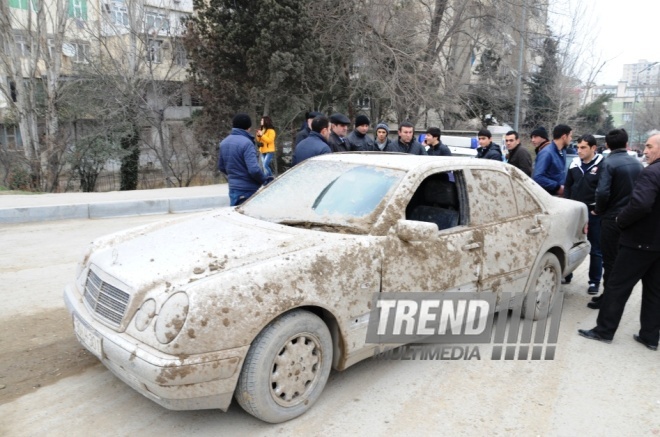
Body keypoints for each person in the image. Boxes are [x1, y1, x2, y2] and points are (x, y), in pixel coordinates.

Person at [578, 133, 660, 349]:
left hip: (639, 241)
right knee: (654, 291)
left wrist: (620, 220)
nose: (646, 150)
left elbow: (641, 204)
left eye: (650, 146)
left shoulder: (651, 173)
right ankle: (650, 337)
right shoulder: (642, 167)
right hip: (656, 244)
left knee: (616, 285)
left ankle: (604, 330)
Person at [588, 128, 643, 309]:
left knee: (610, 261)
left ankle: (609, 299)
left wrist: (599, 210)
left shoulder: (608, 163)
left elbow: (602, 192)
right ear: (626, 144)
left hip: (612, 218)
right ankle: (610, 296)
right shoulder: (637, 163)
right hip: (631, 219)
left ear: (607, 145)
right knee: (620, 260)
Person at [563, 134, 604, 294]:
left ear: (593, 148)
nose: (579, 150)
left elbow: (604, 190)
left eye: (583, 147)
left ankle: (594, 282)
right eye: (578, 147)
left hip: (593, 213)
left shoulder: (602, 165)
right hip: (575, 212)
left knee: (595, 249)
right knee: (570, 244)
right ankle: (567, 274)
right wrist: (566, 205)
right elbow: (567, 186)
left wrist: (598, 208)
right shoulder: (574, 164)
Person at [218, 113, 268, 206]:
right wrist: (264, 180)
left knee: (236, 217)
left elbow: (221, 167)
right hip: (248, 190)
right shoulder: (247, 143)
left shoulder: (224, 142)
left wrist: (234, 174)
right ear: (248, 128)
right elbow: (254, 170)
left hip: (233, 188)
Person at [532, 124, 572, 196]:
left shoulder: (563, 151)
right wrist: (557, 187)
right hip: (547, 197)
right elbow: (538, 177)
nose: (571, 139)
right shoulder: (546, 153)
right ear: (564, 137)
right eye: (570, 136)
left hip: (559, 197)